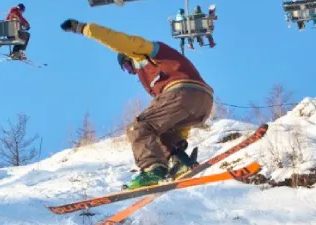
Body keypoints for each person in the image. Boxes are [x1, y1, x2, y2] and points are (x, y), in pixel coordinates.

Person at [60, 18, 214, 188]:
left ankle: (152, 170)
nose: (132, 72)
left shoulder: (146, 53)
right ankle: (180, 161)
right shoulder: (156, 82)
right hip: (203, 104)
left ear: (129, 57)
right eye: (127, 71)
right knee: (158, 130)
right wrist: (178, 142)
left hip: (182, 91)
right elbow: (178, 118)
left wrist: (83, 28)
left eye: (127, 67)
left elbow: (118, 40)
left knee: (139, 127)